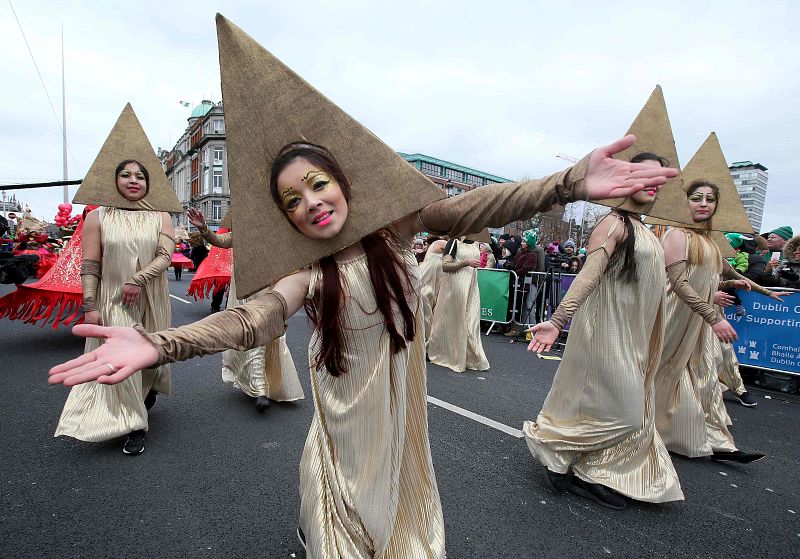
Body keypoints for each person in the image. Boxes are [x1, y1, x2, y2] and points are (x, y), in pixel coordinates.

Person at [48, 16, 678, 557]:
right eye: (292, 199)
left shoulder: (398, 227)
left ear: (342, 181)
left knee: (400, 496)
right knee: (348, 496)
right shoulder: (306, 269)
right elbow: (254, 318)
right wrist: (162, 345)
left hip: (404, 396)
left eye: (318, 183)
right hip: (346, 399)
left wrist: (567, 182)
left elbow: (480, 205)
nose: (311, 203)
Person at [523, 150, 685, 510]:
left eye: (658, 179)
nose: (652, 184)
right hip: (605, 330)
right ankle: (553, 447)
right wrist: (557, 320)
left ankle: (589, 469)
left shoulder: (645, 231)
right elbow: (589, 274)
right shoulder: (614, 224)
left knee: (622, 407)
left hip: (634, 335)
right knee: (627, 414)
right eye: (643, 175)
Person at [53, 104, 182, 456]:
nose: (133, 180)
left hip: (151, 297)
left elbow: (165, 257)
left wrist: (139, 279)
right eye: (126, 175)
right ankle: (134, 424)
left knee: (149, 355)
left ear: (148, 184)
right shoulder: (97, 217)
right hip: (113, 300)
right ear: (116, 181)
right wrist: (90, 307)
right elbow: (90, 265)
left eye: (140, 176)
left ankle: (147, 390)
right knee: (117, 359)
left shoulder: (161, 217)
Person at [652, 133, 788, 463]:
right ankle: (647, 431)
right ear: (684, 203)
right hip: (674, 316)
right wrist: (713, 313)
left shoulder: (711, 243)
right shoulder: (676, 236)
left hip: (698, 319)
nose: (702, 204)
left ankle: (711, 439)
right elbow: (678, 283)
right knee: (662, 374)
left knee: (703, 377)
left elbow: (731, 276)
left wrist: (766, 290)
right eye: (695, 198)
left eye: (709, 199)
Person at [188, 207, 304, 412]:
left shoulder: (279, 232)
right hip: (247, 292)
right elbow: (220, 241)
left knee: (270, 338)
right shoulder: (241, 231)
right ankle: (260, 389)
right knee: (255, 336)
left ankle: (270, 385)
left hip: (272, 292)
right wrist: (203, 228)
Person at [427, 236, 489, 371]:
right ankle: (446, 352)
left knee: (471, 321)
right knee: (454, 320)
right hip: (455, 286)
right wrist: (466, 262)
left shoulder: (477, 244)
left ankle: (471, 357)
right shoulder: (454, 242)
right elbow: (445, 266)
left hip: (471, 287)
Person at [419, 237, 447, 346]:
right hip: (430, 279)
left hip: (433, 279)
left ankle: (428, 340)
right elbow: (455, 250)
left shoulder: (433, 248)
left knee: (430, 307)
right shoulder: (440, 243)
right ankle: (428, 340)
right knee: (428, 307)